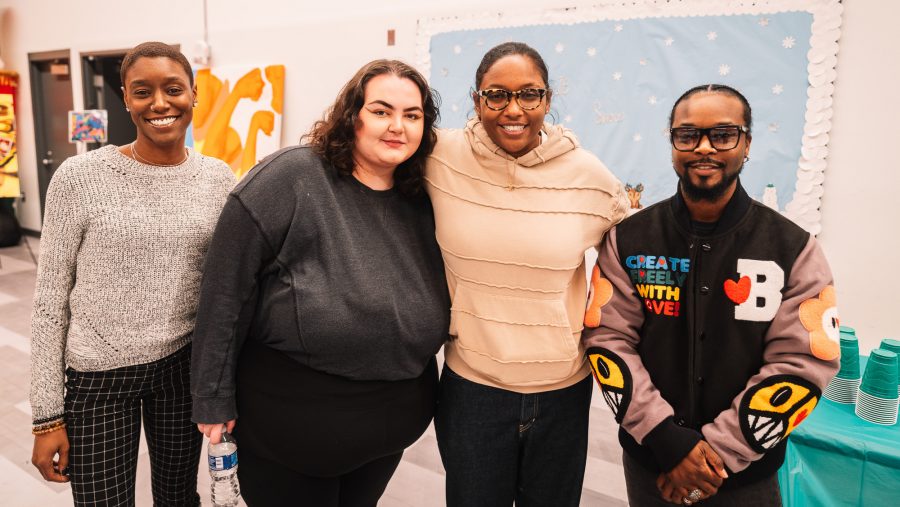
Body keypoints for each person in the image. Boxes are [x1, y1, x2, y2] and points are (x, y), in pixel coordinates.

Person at [190, 59, 449, 506]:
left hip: (388, 431)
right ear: (352, 116)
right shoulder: (290, 178)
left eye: (412, 116)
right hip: (290, 432)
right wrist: (212, 397)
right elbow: (224, 291)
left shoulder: (421, 197)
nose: (397, 126)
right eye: (381, 111)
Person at [581, 84, 841, 506]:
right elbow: (606, 340)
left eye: (722, 135)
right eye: (687, 135)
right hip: (653, 462)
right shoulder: (628, 239)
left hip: (746, 478)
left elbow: (804, 362)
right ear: (672, 144)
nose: (704, 148)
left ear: (747, 144)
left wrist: (715, 455)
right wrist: (667, 440)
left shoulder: (793, 249)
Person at [29, 41, 235, 505]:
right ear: (126, 98)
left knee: (179, 498)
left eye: (173, 89)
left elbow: (229, 289)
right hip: (99, 378)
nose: (160, 103)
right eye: (143, 92)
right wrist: (47, 418)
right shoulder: (79, 178)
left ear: (194, 94)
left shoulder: (219, 178)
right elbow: (48, 306)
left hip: (182, 370)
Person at [426, 41, 629, 507]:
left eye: (529, 95)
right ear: (476, 101)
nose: (512, 109)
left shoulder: (590, 177)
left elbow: (635, 266)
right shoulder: (438, 159)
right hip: (471, 389)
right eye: (496, 95)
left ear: (548, 100)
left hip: (562, 391)